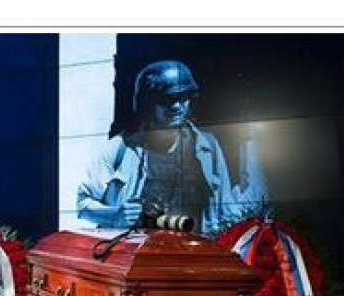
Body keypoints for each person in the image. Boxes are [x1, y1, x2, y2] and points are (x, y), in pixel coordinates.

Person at [76, 59, 265, 234]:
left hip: (192, 251)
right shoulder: (120, 149)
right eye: (168, 99)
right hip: (138, 252)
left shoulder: (206, 146)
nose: (177, 106)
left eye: (184, 98)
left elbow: (223, 208)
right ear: (148, 103)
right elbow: (83, 204)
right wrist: (115, 215)